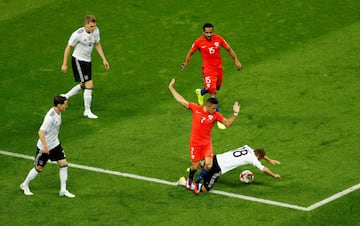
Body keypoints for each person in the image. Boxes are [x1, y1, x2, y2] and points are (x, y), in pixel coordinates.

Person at [169, 78, 240, 195]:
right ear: (208, 105)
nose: (215, 110)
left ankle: (197, 181)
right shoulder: (196, 109)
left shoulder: (216, 115)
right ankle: (190, 180)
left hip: (206, 143)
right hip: (195, 143)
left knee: (208, 164)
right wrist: (171, 88)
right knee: (195, 166)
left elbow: (227, 124)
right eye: (213, 108)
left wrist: (235, 113)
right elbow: (182, 101)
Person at [20, 96, 75, 198]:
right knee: (39, 168)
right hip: (44, 147)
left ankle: (63, 190)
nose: (66, 106)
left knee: (63, 164)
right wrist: (45, 147)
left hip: (55, 144)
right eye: (65, 104)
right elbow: (41, 132)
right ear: (59, 105)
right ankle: (25, 184)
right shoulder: (50, 117)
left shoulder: (59, 112)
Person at [181, 23, 242, 111]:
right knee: (213, 93)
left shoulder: (218, 38)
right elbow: (190, 52)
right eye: (207, 33)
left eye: (210, 32)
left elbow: (228, 48)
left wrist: (236, 60)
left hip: (218, 68)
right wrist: (186, 63)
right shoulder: (198, 42)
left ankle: (200, 92)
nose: (209, 35)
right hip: (208, 69)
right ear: (203, 32)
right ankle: (218, 116)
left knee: (217, 87)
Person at [61, 15, 110, 119]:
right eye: (91, 26)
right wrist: (64, 64)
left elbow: (97, 44)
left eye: (94, 26)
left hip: (88, 61)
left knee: (84, 84)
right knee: (89, 85)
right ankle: (87, 111)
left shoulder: (96, 31)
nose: (93, 28)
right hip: (78, 60)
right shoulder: (77, 34)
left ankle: (65, 96)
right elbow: (68, 47)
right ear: (86, 24)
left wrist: (103, 59)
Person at [177, 145, 281, 193]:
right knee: (205, 189)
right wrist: (273, 174)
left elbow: (258, 153)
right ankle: (184, 182)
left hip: (216, 158)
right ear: (258, 157)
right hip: (218, 168)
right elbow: (263, 169)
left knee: (203, 164)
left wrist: (269, 160)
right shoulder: (253, 159)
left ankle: (194, 168)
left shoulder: (247, 148)